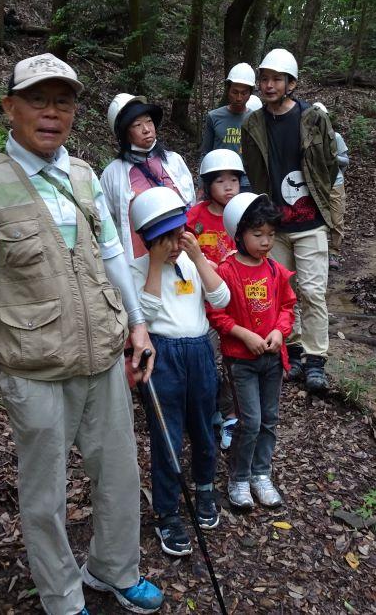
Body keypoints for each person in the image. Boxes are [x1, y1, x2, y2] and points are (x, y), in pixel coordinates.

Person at [0, 53, 163, 615]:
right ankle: (63, 597)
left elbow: (114, 255)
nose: (51, 112)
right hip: (34, 367)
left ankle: (114, 570)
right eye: (37, 100)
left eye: (62, 101)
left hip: (104, 360)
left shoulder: (85, 176)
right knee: (45, 495)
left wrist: (138, 323)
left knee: (118, 473)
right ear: (10, 108)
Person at [128, 186, 230, 557]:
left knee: (205, 427)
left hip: (200, 351)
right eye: (163, 240)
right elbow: (145, 317)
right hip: (162, 356)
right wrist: (154, 265)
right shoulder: (135, 269)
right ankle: (167, 512)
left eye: (177, 235)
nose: (173, 246)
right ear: (147, 241)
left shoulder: (190, 262)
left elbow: (222, 299)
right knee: (167, 436)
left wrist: (199, 259)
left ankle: (204, 488)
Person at [240, 48, 338, 395]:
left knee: (312, 291)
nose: (268, 85)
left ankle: (316, 360)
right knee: (283, 293)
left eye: (276, 79)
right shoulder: (253, 123)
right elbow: (252, 170)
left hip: (310, 222)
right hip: (274, 226)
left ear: (290, 84)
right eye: (264, 79)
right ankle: (292, 351)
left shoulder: (312, 118)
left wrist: (326, 207)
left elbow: (329, 164)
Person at [206, 193, 296, 510]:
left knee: (269, 418)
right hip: (241, 360)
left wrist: (277, 331)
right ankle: (239, 477)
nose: (266, 241)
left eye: (270, 234)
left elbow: (287, 306)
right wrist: (244, 335)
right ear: (239, 232)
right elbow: (216, 313)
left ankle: (261, 473)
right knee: (251, 421)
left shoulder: (274, 270)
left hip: (271, 358)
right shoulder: (227, 270)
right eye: (258, 234)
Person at [186, 149, 244, 449]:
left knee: (234, 361)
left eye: (234, 179)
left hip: (235, 303)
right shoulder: (194, 216)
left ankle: (232, 416)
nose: (228, 186)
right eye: (220, 181)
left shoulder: (245, 213)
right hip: (200, 303)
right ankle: (209, 413)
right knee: (208, 361)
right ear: (207, 185)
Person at [101, 93, 195, 258]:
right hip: (140, 263)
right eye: (137, 125)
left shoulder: (174, 161)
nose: (146, 129)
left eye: (149, 121)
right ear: (124, 133)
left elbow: (191, 205)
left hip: (182, 256)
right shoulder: (112, 174)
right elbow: (107, 223)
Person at [199, 63, 260, 192]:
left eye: (244, 93)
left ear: (250, 93)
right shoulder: (214, 117)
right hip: (218, 180)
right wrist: (201, 186)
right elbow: (206, 153)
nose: (239, 98)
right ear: (228, 90)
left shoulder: (256, 119)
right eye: (235, 92)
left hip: (246, 182)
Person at [312, 102, 350, 271]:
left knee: (336, 219)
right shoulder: (307, 139)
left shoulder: (336, 137)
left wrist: (331, 157)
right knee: (317, 220)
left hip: (335, 183)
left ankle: (334, 252)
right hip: (315, 184)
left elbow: (346, 160)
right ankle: (317, 253)